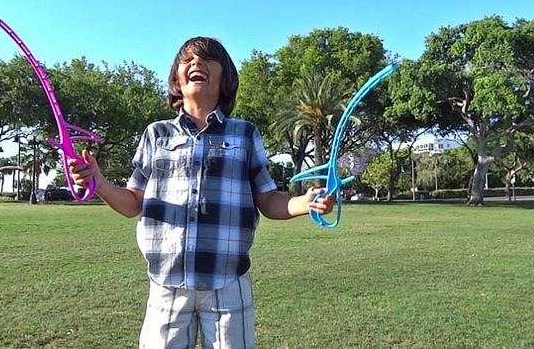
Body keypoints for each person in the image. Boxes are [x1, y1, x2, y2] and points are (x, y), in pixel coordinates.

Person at [69, 36, 335, 349]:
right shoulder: (156, 134)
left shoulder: (245, 134)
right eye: (187, 60)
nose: (196, 63)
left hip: (228, 282)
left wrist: (304, 203)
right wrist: (98, 182)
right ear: (176, 80)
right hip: (166, 282)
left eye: (207, 59)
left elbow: (268, 200)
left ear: (225, 79)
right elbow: (133, 203)